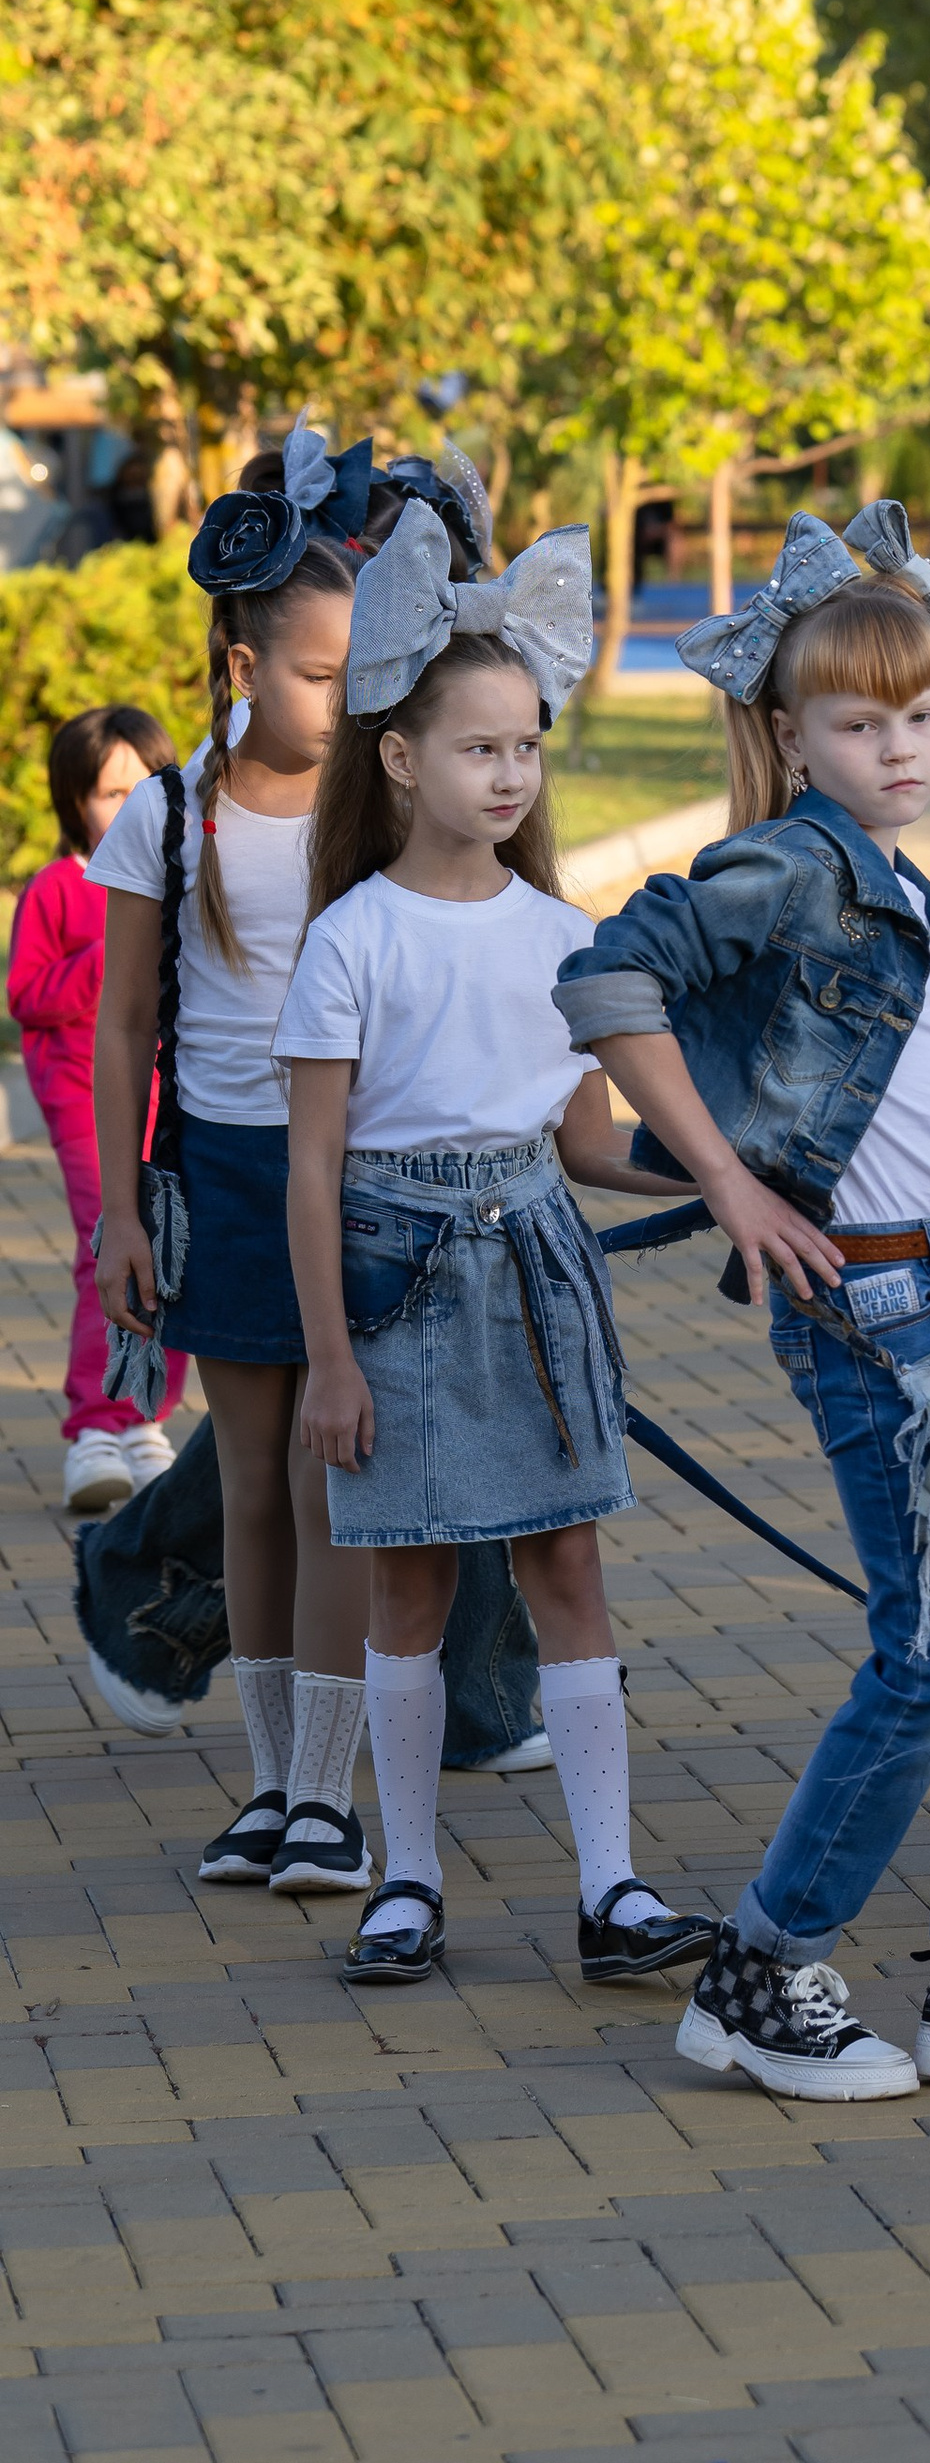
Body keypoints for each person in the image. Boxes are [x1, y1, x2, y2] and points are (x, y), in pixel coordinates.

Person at [559, 503, 930, 2101]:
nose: (902, 746)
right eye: (860, 720)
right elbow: (608, 979)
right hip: (878, 1308)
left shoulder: (891, 871)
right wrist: (733, 1183)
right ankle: (761, 1965)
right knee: (928, 1647)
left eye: (925, 714)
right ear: (788, 730)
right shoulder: (785, 864)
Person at [280, 501, 716, 1990]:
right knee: (410, 1582)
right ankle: (406, 1878)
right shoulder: (351, 939)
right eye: (480, 747)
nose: (510, 771)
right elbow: (316, 1165)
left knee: (566, 1567)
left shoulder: (562, 936)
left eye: (527, 745)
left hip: (534, 1266)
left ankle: (614, 1886)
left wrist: (719, 1173)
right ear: (400, 757)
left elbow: (587, 1141)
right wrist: (330, 1357)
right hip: (396, 1284)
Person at [92, 424, 375, 1897]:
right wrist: (124, 1210)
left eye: (356, 671)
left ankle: (329, 1795)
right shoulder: (172, 805)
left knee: (335, 1487)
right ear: (245, 662)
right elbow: (124, 1018)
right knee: (253, 1483)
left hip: (363, 1175)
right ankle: (271, 1785)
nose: (341, 696)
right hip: (226, 1177)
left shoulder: (376, 799)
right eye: (320, 672)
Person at [10, 704, 181, 1512]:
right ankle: (92, 1426)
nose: (128, 804)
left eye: (144, 785)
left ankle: (144, 1415)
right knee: (106, 1247)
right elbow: (27, 996)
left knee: (174, 1249)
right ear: (73, 799)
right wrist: (103, 959)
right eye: (110, 792)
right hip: (83, 1098)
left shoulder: (179, 876)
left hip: (173, 1096)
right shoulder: (56, 888)